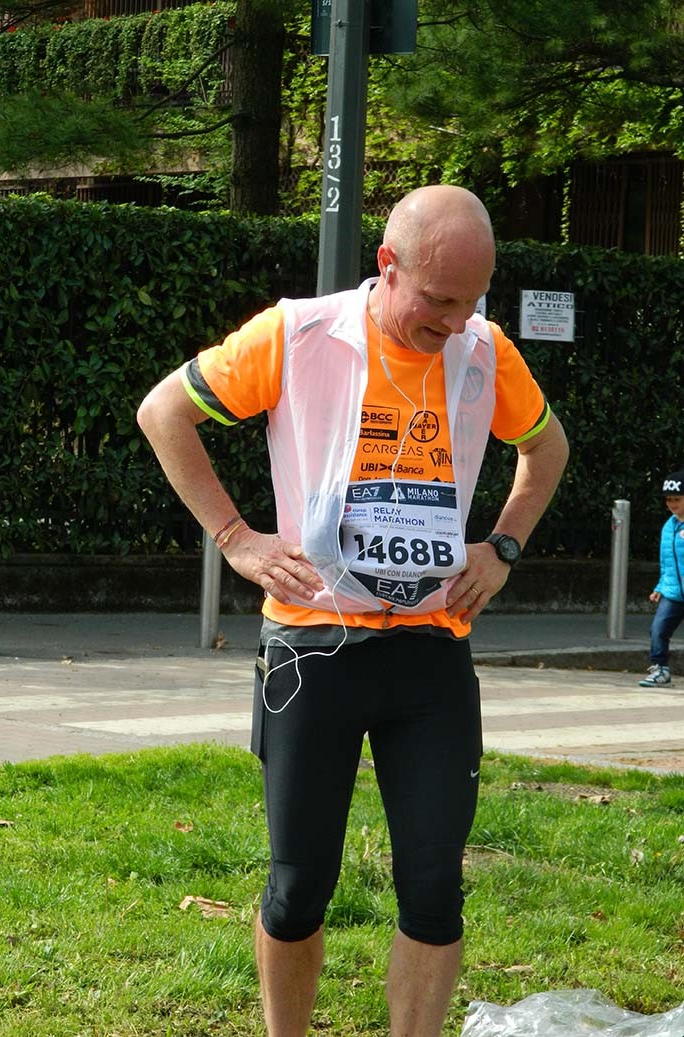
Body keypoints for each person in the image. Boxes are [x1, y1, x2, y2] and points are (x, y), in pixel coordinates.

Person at [137, 185, 569, 1037]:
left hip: (429, 653)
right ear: (387, 265)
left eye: (473, 301)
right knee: (298, 887)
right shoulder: (298, 334)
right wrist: (235, 537)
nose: (456, 321)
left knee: (435, 889)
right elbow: (164, 412)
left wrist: (503, 547)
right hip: (313, 647)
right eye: (439, 300)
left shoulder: (484, 350)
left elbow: (546, 446)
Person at [638, 468, 684, 688]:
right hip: (673, 591)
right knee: (658, 630)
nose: (672, 504)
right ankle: (660, 670)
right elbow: (667, 562)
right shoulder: (669, 526)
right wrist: (660, 586)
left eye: (677, 499)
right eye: (668, 500)